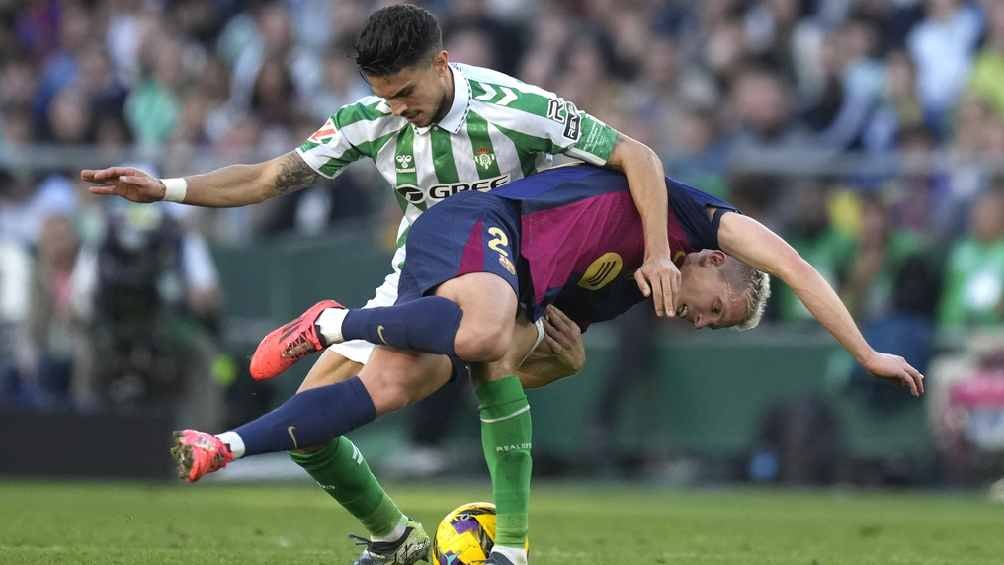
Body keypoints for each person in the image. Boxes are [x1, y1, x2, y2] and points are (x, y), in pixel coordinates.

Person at [81, 6, 679, 564]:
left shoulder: (515, 107)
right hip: (419, 274)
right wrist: (165, 189)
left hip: (515, 269)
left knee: (491, 350)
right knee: (309, 428)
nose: (396, 108)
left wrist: (657, 255)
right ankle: (396, 540)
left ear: (441, 65)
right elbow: (267, 177)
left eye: (406, 93)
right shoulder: (368, 121)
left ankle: (512, 548)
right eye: (382, 95)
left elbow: (639, 157)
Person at [170, 164, 926, 565]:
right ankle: (331, 321)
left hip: (497, 289)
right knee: (483, 331)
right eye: (713, 307)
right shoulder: (696, 215)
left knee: (406, 382)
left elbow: (499, 378)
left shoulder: (614, 300)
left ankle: (231, 447)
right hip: (478, 226)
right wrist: (865, 350)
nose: (697, 320)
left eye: (705, 324)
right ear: (715, 261)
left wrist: (560, 367)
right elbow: (792, 262)